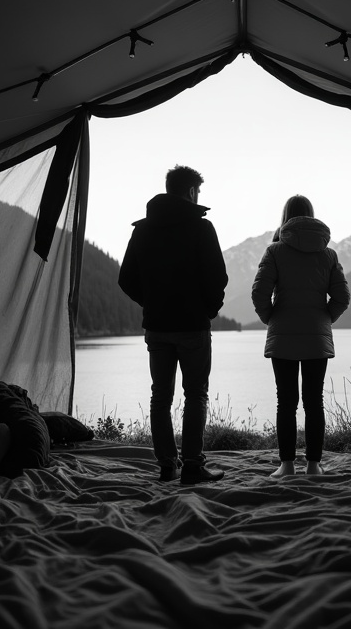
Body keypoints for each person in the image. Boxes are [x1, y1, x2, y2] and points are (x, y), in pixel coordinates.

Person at [118, 165, 228, 485]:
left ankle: (167, 465)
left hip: (158, 327)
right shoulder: (201, 228)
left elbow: (126, 279)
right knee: (195, 395)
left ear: (168, 189)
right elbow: (217, 277)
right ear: (192, 192)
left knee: (159, 396)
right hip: (193, 326)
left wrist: (151, 302)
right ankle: (193, 466)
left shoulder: (142, 230)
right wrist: (208, 309)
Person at [252, 195, 350, 478]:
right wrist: (323, 319)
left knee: (286, 401)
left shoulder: (274, 252)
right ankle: (314, 465)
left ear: (286, 217)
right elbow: (342, 297)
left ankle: (286, 466)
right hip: (316, 339)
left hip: (282, 337)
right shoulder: (328, 254)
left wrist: (271, 318)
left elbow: (259, 294)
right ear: (311, 216)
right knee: (314, 401)